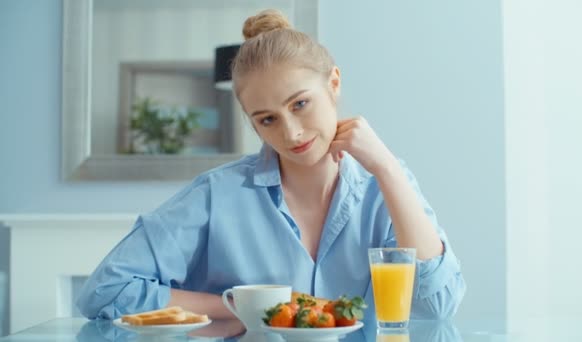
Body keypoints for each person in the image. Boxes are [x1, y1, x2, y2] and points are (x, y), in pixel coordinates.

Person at [77, 9, 465, 322]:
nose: (292, 133)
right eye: (267, 119)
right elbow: (105, 291)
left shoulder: (383, 185)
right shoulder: (217, 195)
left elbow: (438, 305)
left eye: (300, 104)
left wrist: (387, 169)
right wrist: (246, 306)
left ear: (333, 84)